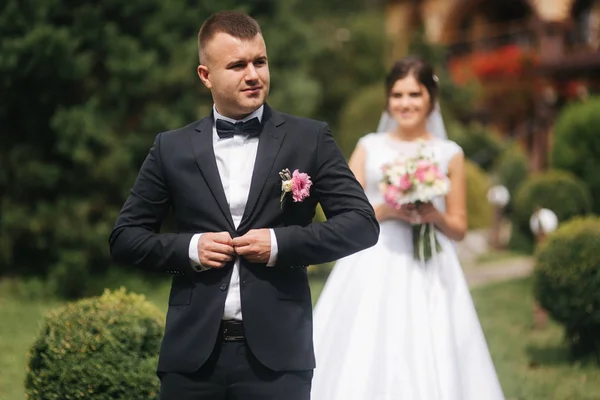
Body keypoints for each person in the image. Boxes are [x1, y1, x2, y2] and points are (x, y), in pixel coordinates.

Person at [108, 10, 379, 400]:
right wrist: (190, 248)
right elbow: (125, 238)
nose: (253, 74)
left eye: (260, 61)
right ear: (206, 76)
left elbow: (362, 224)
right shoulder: (172, 147)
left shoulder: (310, 138)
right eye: (237, 65)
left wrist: (280, 244)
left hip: (279, 359)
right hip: (191, 359)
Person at [310, 56, 505, 400]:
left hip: (430, 264)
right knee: (365, 341)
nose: (405, 103)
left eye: (415, 94)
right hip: (372, 258)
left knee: (431, 342)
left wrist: (432, 215)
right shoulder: (369, 146)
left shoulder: (449, 153)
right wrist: (384, 210)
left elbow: (459, 227)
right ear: (388, 99)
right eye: (397, 95)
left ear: (431, 98)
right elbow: (340, 210)